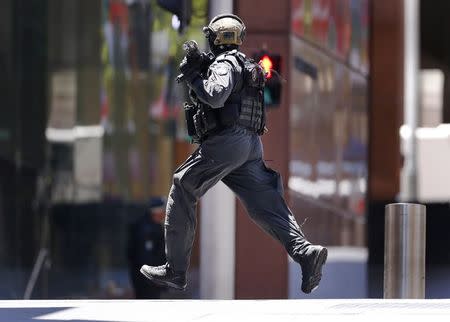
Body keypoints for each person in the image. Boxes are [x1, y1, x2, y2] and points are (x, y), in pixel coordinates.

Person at [140, 14, 327, 294]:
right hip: (250, 146)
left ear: (215, 38)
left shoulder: (224, 63)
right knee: (265, 204)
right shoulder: (244, 63)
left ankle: (175, 270)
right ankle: (305, 252)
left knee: (183, 185)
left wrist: (193, 77)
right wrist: (201, 67)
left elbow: (215, 95)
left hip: (226, 143)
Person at [127, 197, 167, 298]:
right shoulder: (147, 230)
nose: (166, 213)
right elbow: (145, 258)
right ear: (158, 211)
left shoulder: (155, 226)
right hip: (146, 282)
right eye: (164, 210)